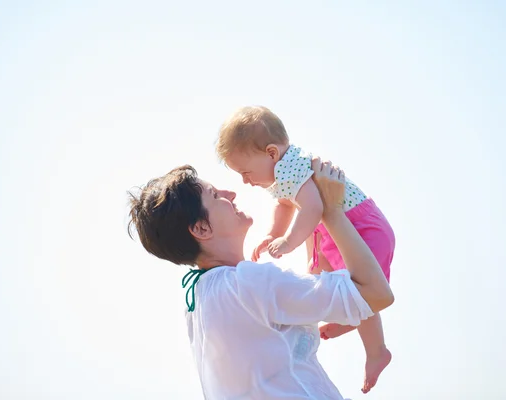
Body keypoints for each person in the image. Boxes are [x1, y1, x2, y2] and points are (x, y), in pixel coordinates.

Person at [127, 158, 393, 399]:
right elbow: (375, 294)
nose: (230, 194)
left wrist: (315, 224)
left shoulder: (200, 302)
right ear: (201, 228)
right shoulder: (246, 284)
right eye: (215, 195)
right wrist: (331, 212)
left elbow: (309, 292)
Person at [216, 106, 396, 393]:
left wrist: (288, 241)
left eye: (246, 172)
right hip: (336, 226)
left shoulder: (291, 167)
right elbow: (286, 203)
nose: (245, 181)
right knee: (319, 272)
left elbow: (312, 206)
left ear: (271, 153)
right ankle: (348, 318)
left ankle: (377, 351)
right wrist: (273, 233)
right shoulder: (281, 172)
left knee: (360, 286)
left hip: (360, 225)